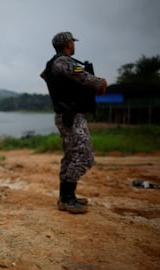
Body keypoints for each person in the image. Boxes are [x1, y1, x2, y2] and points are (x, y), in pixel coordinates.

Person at [40, 31, 107, 214]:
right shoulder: (65, 62)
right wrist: (100, 83)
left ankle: (65, 198)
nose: (73, 45)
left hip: (65, 114)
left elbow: (49, 75)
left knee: (71, 156)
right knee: (84, 155)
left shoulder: (53, 63)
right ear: (68, 44)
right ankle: (68, 199)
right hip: (71, 116)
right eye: (72, 42)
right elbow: (82, 75)